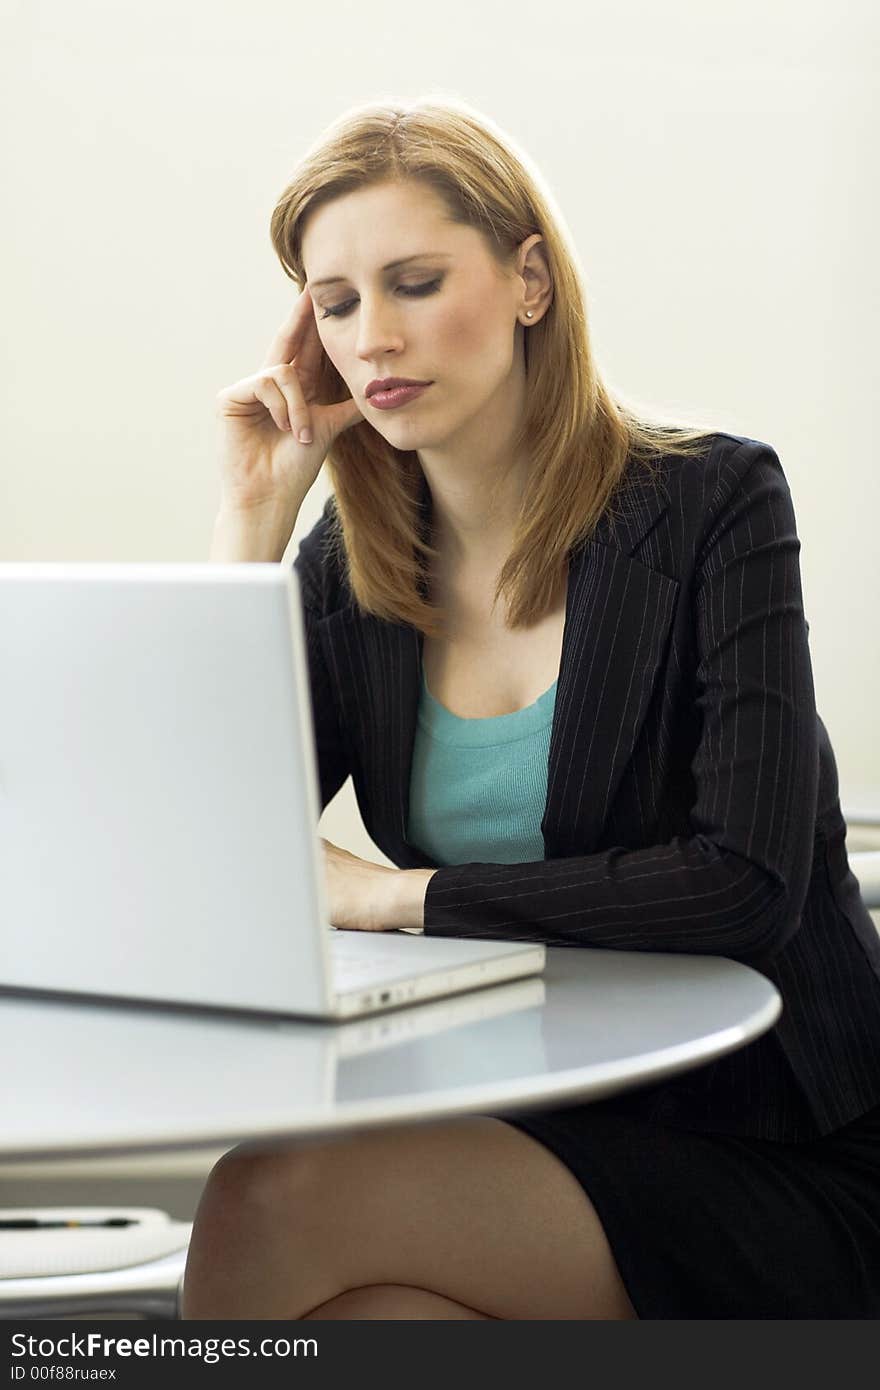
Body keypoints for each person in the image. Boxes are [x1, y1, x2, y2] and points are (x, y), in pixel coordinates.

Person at [181, 96, 880, 1319]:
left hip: (775, 1143)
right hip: (526, 1119)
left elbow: (745, 881)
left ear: (529, 282)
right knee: (365, 1321)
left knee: (270, 1201)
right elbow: (213, 845)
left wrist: (399, 896)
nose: (373, 337)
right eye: (336, 303)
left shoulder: (712, 502)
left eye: (412, 281)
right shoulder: (354, 565)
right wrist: (253, 523)